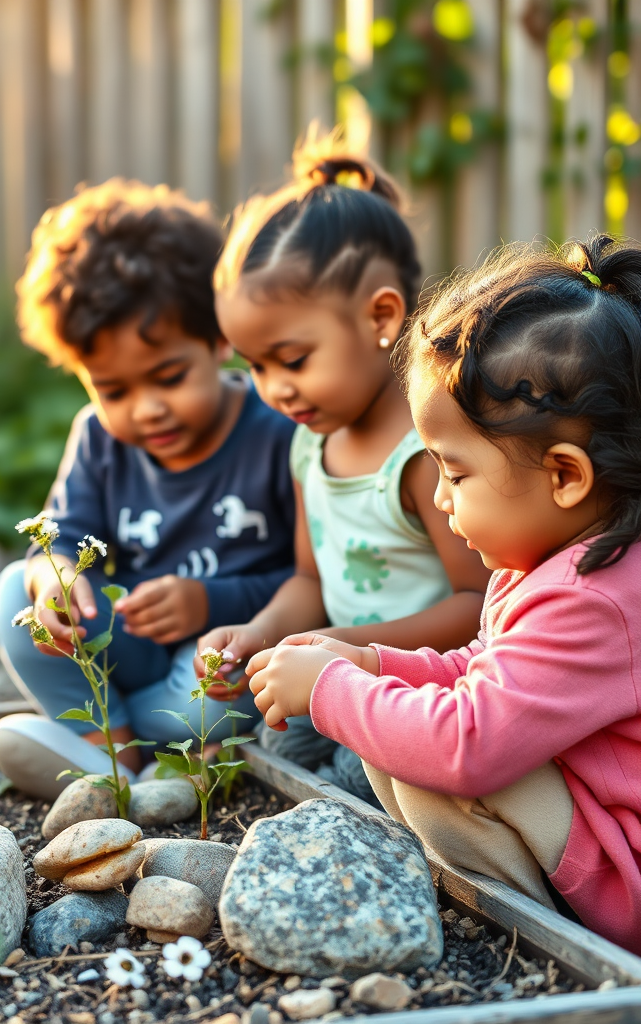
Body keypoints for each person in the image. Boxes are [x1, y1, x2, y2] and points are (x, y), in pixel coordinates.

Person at [246, 234, 641, 952]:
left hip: (626, 880)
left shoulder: (596, 599)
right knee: (393, 729)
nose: (439, 497)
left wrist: (333, 690)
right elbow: (481, 671)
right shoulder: (553, 561)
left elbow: (471, 742)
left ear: (564, 476)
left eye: (455, 475)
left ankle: (547, 927)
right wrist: (367, 663)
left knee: (425, 757)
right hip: (597, 826)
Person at [196, 131, 491, 801]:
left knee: (357, 774)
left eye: (292, 360)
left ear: (380, 317)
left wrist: (338, 647)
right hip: (339, 673)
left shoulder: (423, 455)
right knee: (274, 739)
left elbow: (477, 607)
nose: (274, 390)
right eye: (255, 367)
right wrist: (261, 634)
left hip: (423, 690)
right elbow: (309, 576)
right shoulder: (311, 443)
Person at [0, 180, 296, 798]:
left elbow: (310, 580)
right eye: (114, 390)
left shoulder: (277, 433)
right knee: (10, 600)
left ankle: (145, 747)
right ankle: (117, 756)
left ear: (219, 338)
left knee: (217, 696)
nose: (148, 409)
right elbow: (62, 534)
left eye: (169, 376)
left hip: (220, 656)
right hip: (128, 642)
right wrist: (57, 582)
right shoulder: (98, 438)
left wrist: (208, 602)